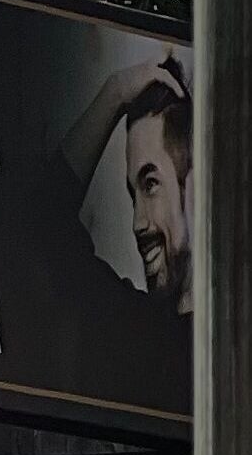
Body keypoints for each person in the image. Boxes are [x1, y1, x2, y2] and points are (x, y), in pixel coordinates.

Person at [60, 53, 193, 317]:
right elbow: (37, 228)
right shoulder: (134, 330)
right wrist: (116, 92)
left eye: (151, 184)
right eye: (133, 196)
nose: (137, 223)